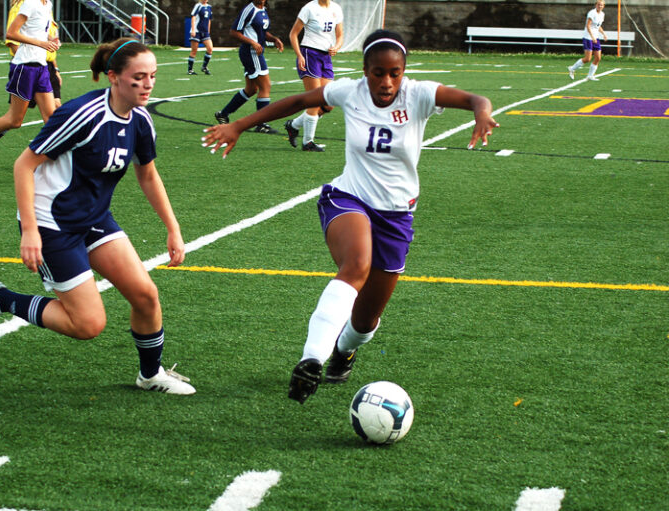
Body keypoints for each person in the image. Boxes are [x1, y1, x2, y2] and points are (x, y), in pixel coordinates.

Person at [202, 30, 498, 404]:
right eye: (378, 73)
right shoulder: (350, 91)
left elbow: (476, 98)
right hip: (349, 198)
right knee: (356, 265)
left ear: (404, 73)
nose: (386, 82)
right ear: (364, 71)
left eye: (394, 73)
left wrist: (482, 113)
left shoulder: (419, 94)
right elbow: (298, 99)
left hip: (396, 216)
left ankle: (345, 349)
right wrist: (239, 125)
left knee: (365, 321)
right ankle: (311, 359)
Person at [0, 38, 195, 395]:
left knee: (145, 295)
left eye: (152, 76)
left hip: (94, 218)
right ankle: (1, 298)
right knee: (87, 324)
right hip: (51, 223)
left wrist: (173, 229)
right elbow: (24, 165)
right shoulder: (81, 114)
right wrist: (30, 232)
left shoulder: (142, 120)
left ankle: (150, 375)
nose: (148, 84)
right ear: (114, 77)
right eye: (139, 77)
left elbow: (147, 174)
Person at [0, 0, 60, 169]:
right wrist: (42, 43)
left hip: (41, 67)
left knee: (51, 117)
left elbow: (38, 31)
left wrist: (52, 39)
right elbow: (11, 33)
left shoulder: (48, 4)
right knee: (14, 121)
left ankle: (53, 161)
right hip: (25, 67)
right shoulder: (31, 3)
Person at [214, 0, 284, 134]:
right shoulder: (249, 10)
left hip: (256, 52)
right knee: (266, 86)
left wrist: (274, 39)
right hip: (251, 53)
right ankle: (261, 124)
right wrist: (252, 42)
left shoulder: (262, 9)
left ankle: (223, 114)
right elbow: (234, 32)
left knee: (251, 89)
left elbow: (262, 32)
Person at [284, 0, 343, 152]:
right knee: (314, 101)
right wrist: (299, 55)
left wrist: (336, 47)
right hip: (309, 53)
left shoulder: (336, 8)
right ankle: (308, 142)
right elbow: (293, 34)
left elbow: (340, 34)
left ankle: (294, 125)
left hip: (325, 57)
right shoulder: (309, 8)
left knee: (328, 103)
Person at [568, 0, 607, 81]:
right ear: (596, 5)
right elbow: (588, 26)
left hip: (596, 38)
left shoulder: (602, 14)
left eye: (601, 5)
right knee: (587, 59)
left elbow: (598, 26)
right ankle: (572, 68)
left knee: (598, 58)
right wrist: (592, 37)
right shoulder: (592, 13)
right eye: (598, 4)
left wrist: (603, 34)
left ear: (603, 6)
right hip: (588, 38)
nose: (600, 6)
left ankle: (590, 76)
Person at [187, 0, 214, 75]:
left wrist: (208, 31)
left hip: (205, 32)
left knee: (210, 49)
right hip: (197, 31)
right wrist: (193, 30)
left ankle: (204, 67)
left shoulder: (209, 7)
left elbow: (209, 20)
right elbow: (193, 17)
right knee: (194, 51)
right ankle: (190, 70)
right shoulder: (198, 6)